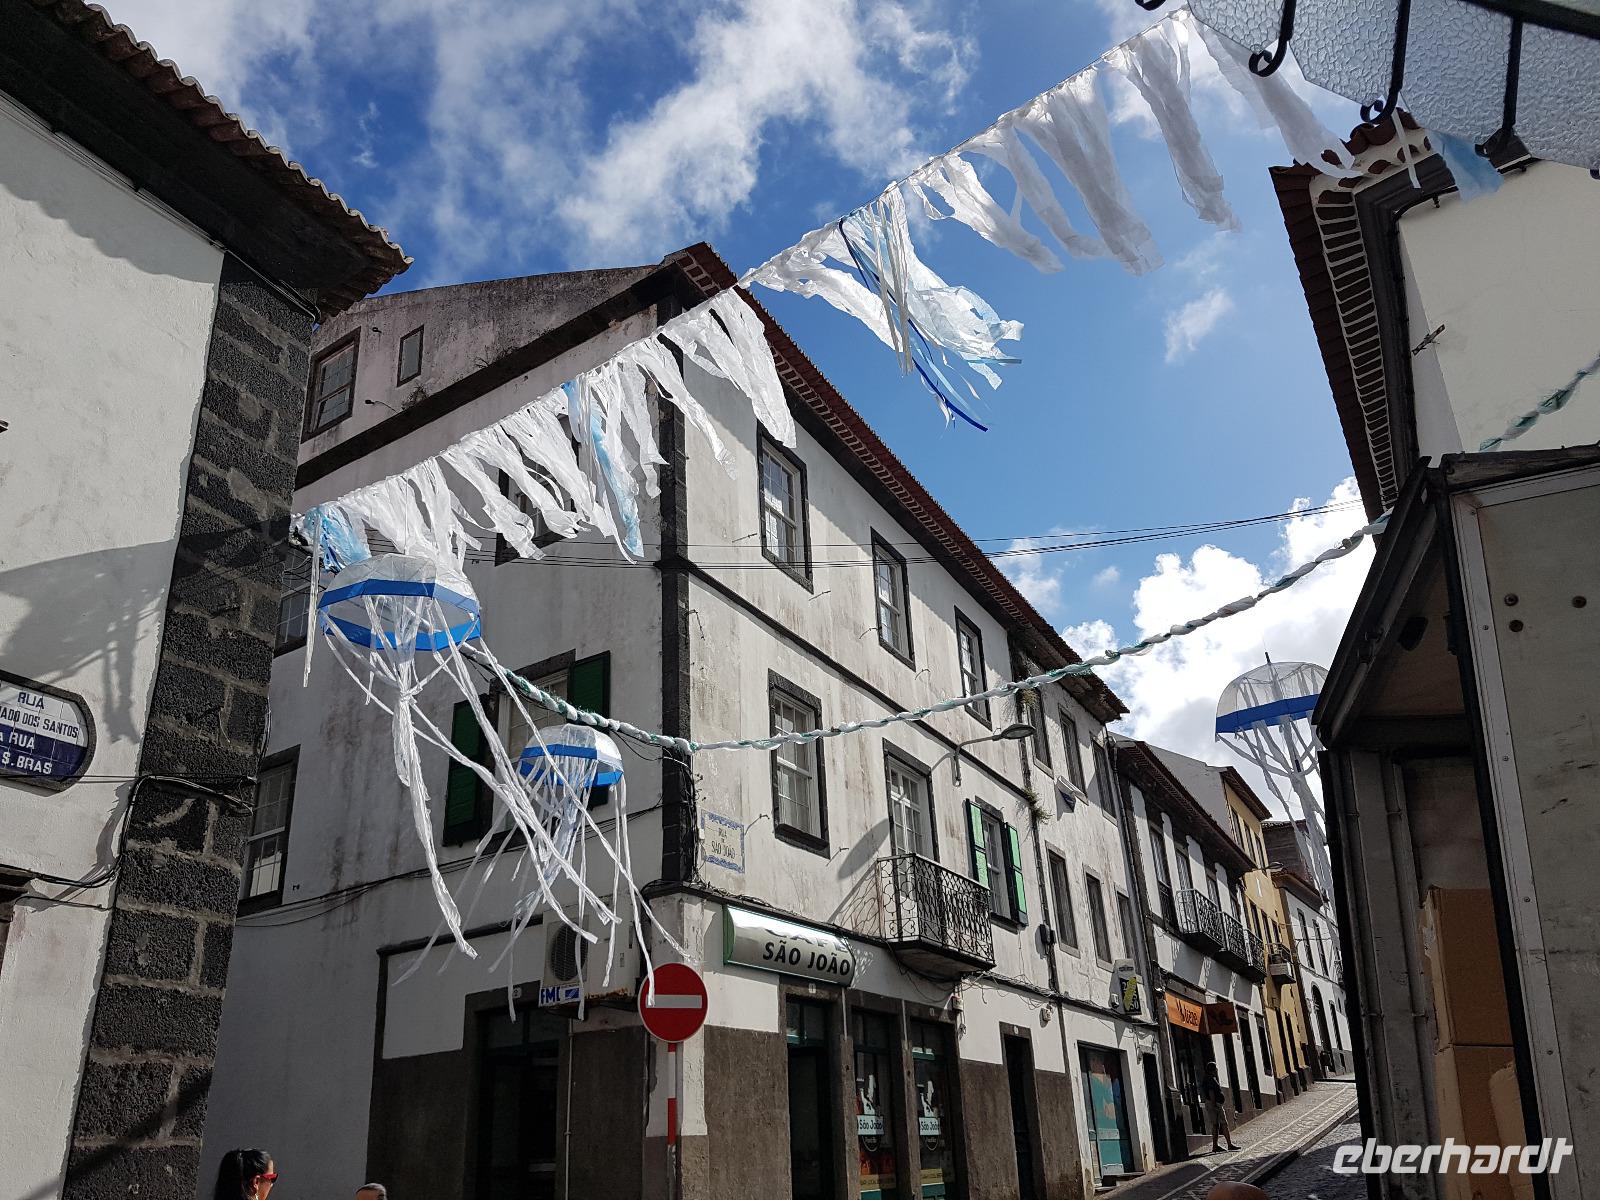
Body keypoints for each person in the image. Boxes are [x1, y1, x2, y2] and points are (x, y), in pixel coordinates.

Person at [1201, 1063, 1239, 1153]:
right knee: (1218, 1124)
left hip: (1215, 1104)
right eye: (1215, 1069)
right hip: (1214, 1104)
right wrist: (1214, 1105)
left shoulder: (1210, 1078)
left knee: (1219, 1124)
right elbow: (1211, 1092)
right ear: (1212, 1070)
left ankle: (1222, 1145)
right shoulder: (1209, 1079)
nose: (1217, 1070)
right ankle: (1220, 1146)